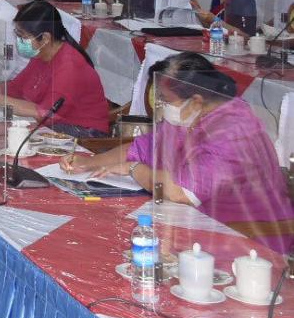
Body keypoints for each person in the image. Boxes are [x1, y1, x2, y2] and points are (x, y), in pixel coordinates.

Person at [63, 53, 294, 249]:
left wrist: (133, 169)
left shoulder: (232, 131)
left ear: (196, 100)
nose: (160, 106)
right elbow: (141, 148)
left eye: (165, 100)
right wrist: (89, 163)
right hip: (196, 225)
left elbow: (178, 192)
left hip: (245, 240)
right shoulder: (188, 117)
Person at [0, 0, 111, 138]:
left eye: (22, 36)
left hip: (83, 133)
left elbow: (45, 113)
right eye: (17, 34)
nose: (18, 41)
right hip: (52, 123)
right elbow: (13, 89)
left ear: (45, 38)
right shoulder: (42, 55)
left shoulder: (69, 65)